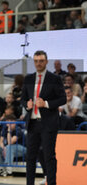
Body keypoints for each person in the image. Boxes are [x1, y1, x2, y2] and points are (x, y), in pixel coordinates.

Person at [21, 50, 66, 185]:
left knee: (49, 157)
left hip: (48, 123)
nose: (38, 63)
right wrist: (27, 104)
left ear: (46, 62)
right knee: (30, 157)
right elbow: (23, 99)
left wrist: (46, 103)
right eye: (36, 61)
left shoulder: (55, 79)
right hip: (33, 123)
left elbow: (63, 99)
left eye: (41, 61)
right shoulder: (28, 79)